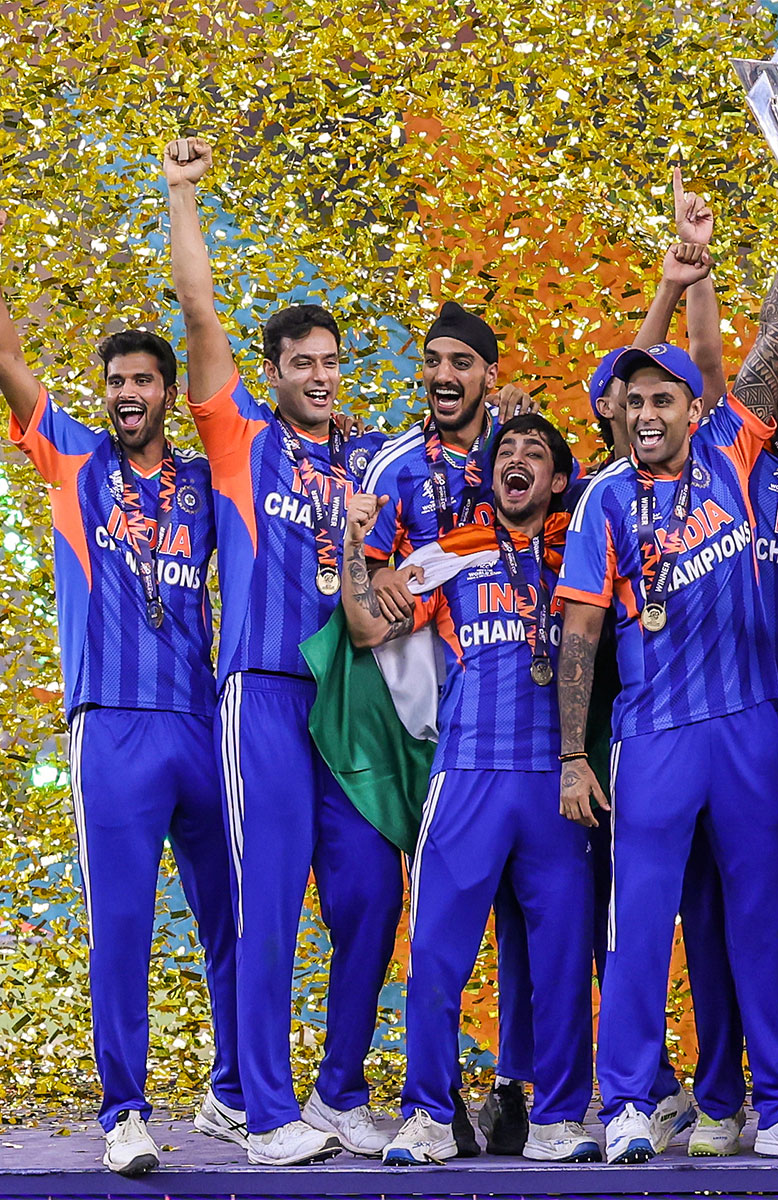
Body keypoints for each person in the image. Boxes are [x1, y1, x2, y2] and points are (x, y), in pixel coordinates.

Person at [556, 226, 778, 1163]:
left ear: (695, 405)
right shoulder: (605, 499)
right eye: (633, 398)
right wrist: (573, 753)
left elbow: (769, 337)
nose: (648, 412)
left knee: (766, 917)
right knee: (640, 924)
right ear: (618, 410)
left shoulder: (733, 449)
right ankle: (632, 1105)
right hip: (654, 738)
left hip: (750, 727)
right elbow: (581, 632)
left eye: (664, 396)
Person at [163, 136, 402, 1166]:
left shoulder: (368, 458)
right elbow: (202, 315)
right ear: (272, 375)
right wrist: (183, 198)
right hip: (261, 691)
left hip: (349, 703)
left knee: (372, 891)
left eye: (330, 362)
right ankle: (262, 1111)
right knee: (268, 904)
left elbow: (392, 588)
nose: (317, 375)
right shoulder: (239, 439)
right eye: (299, 363)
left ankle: (339, 1087)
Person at [1, 244, 240, 1176]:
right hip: (112, 725)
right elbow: (11, 361)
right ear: (103, 394)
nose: (127, 392)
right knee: (125, 929)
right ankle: (126, 1114)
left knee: (235, 918)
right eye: (115, 380)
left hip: (198, 722)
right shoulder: (71, 460)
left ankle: (232, 1092)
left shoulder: (204, 483)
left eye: (144, 379)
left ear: (168, 394)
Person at [336, 414, 601, 1166]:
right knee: (439, 954)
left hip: (558, 782)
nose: (518, 461)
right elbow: (362, 629)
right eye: (504, 452)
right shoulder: (449, 552)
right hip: (469, 777)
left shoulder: (581, 543)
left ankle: (554, 1118)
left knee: (559, 961)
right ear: (487, 478)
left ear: (558, 479)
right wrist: (360, 546)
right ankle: (426, 1113)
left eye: (536, 454)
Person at [356, 300, 535, 1156]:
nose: (442, 376)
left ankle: (519, 1091)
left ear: (488, 374)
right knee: (440, 922)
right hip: (433, 727)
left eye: (461, 362)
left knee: (534, 921)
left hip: (523, 720)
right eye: (432, 361)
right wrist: (380, 568)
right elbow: (371, 599)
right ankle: (433, 1101)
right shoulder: (392, 469)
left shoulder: (525, 454)